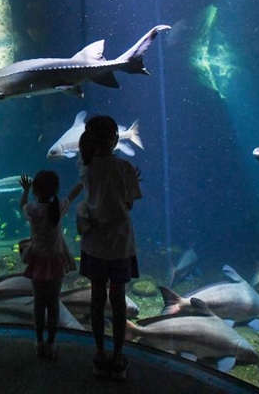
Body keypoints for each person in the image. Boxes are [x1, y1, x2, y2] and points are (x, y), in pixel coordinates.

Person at [76, 115, 142, 380]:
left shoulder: (86, 167)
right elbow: (128, 205)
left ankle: (99, 353)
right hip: (119, 247)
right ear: (115, 139)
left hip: (94, 245)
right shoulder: (125, 167)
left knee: (96, 299)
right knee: (117, 301)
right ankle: (117, 356)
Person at [19, 171, 83, 359]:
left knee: (39, 304)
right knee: (54, 304)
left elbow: (22, 206)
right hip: (56, 262)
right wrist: (83, 181)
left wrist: (25, 190)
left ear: (35, 191)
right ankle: (52, 342)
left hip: (37, 261)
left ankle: (39, 341)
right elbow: (73, 194)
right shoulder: (58, 207)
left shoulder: (32, 208)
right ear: (55, 190)